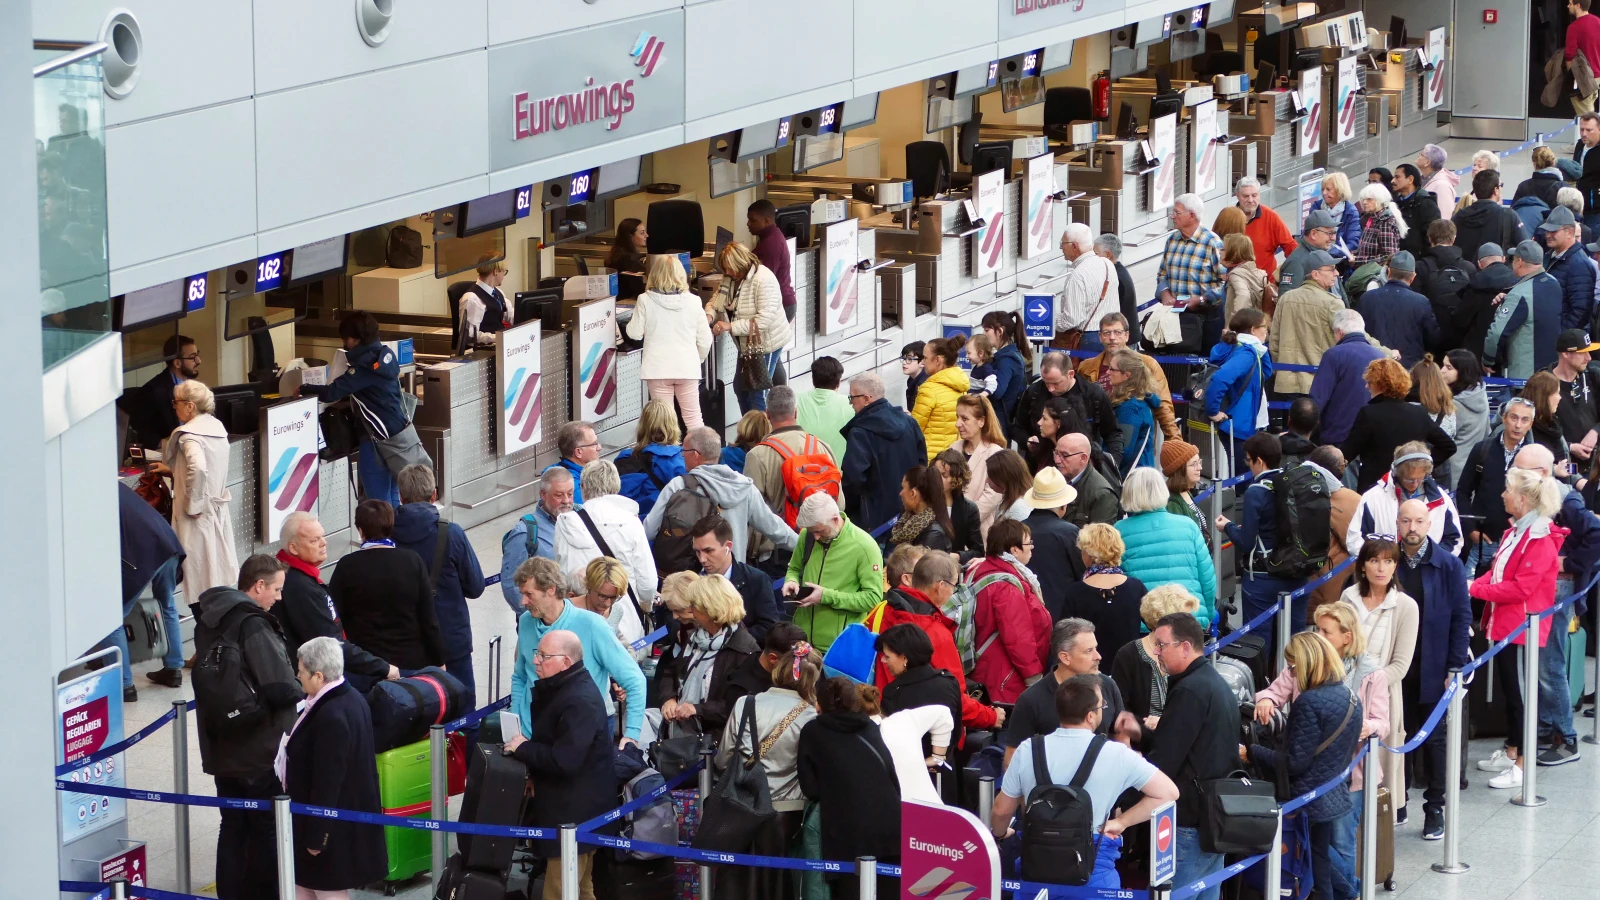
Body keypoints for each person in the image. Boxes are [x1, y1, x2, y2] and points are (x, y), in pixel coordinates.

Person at [994, 674, 1179, 889]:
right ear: (1091, 716)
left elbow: (1001, 810)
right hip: (1094, 863)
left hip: (1037, 861)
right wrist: (1122, 822)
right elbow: (1168, 793)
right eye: (1102, 706)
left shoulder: (1027, 750)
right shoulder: (1117, 754)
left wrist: (1000, 834)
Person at [194, 556, 301, 900]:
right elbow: (279, 686)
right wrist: (303, 687)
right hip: (258, 748)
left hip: (220, 744)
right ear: (259, 585)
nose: (279, 598)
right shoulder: (253, 624)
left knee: (233, 825)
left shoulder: (210, 619)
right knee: (269, 828)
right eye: (277, 590)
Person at [1241, 632, 1362, 900]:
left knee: (1315, 863)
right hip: (1333, 790)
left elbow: (1294, 763)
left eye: (1293, 667)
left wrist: (1251, 752)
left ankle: (1351, 891)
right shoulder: (1350, 696)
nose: (1291, 673)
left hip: (1307, 798)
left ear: (1307, 663)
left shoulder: (1308, 702)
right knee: (1320, 860)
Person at [1471, 468, 1567, 790]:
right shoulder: (1516, 532)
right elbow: (1498, 572)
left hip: (1523, 626)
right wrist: (1476, 584)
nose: (1503, 495)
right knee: (1512, 692)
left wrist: (1474, 589)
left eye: (1507, 490)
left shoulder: (1539, 538)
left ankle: (1524, 764)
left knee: (1521, 696)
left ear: (1522, 499)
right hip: (1508, 624)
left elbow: (1520, 588)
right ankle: (1513, 749)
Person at [505, 630, 617, 900]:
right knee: (582, 889)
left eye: (544, 656)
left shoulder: (578, 700)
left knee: (559, 892)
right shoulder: (569, 688)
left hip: (574, 816)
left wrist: (523, 748)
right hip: (579, 811)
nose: (536, 661)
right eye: (537, 653)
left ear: (566, 662)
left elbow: (564, 759)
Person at [1138, 612, 1239, 900]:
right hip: (1213, 817)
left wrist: (1127, 805)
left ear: (1185, 647)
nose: (1157, 652)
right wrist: (1141, 732)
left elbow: (1165, 760)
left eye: (1161, 645)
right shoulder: (1213, 682)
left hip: (1190, 823)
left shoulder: (1190, 690)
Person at [1512, 445, 1600, 766]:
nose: (1515, 475)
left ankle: (1566, 737)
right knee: (1540, 663)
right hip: (1545, 587)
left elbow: (1596, 534)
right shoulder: (1544, 497)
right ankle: (1548, 727)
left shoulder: (1567, 500)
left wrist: (1570, 563)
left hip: (1558, 589)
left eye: (1522, 470)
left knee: (1549, 664)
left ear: (1543, 472)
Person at [1391, 499, 1474, 838]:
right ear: (1397, 523)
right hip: (1396, 667)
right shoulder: (1387, 561)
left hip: (1434, 665)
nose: (1412, 527)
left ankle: (1435, 807)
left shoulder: (1449, 565)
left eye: (1419, 521)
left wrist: (1454, 665)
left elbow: (1461, 617)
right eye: (1406, 520)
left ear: (1429, 524)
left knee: (1435, 739)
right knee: (1397, 733)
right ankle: (1397, 801)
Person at [281, 636, 387, 900]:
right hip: (331, 822)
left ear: (318, 676)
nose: (297, 675)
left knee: (328, 891)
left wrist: (318, 837)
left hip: (328, 829)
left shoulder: (331, 715)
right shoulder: (351, 698)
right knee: (304, 885)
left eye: (301, 671)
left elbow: (327, 781)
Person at [713, 643, 819, 900]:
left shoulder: (745, 703)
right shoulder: (810, 716)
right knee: (779, 885)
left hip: (741, 805)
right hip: (787, 812)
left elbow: (723, 758)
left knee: (736, 881)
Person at [508, 557, 647, 743]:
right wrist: (515, 722)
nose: (523, 601)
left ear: (550, 590)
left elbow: (635, 680)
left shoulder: (593, 625)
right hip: (530, 736)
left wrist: (631, 735)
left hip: (578, 738)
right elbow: (520, 676)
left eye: (529, 594)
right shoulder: (526, 621)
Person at [797, 677, 902, 900]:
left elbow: (811, 788)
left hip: (847, 832)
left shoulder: (813, 731)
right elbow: (890, 773)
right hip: (890, 826)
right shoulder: (870, 726)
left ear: (819, 704)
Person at [297, 311, 413, 505]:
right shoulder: (384, 356)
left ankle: (385, 526)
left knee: (378, 502)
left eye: (346, 339)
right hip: (396, 434)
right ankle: (395, 525)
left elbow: (332, 392)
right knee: (392, 495)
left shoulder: (364, 367)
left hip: (375, 438)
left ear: (356, 339)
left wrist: (303, 389)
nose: (345, 344)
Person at [1338, 538, 1418, 810]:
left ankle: (1377, 827)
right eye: (1374, 561)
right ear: (1363, 566)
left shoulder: (1406, 606)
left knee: (1378, 773)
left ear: (1395, 566)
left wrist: (1368, 684)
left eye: (1388, 561)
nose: (1381, 568)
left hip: (1382, 697)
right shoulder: (1348, 598)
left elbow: (1400, 665)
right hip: (1343, 692)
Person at [272, 512, 396, 688]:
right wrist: (383, 668)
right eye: (314, 540)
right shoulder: (299, 586)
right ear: (293, 548)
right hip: (310, 680)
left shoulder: (296, 577)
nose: (324, 543)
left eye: (322, 536)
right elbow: (329, 643)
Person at [393, 464, 485, 700]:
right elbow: (475, 587)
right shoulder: (451, 533)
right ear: (434, 494)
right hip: (451, 638)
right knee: (462, 705)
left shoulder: (387, 538)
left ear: (400, 497)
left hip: (404, 642)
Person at [646, 427, 799, 563]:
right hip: (730, 579)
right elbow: (775, 528)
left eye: (683, 451)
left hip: (690, 579)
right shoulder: (744, 487)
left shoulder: (678, 486)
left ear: (695, 454)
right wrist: (805, 547)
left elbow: (649, 530)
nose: (682, 456)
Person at [327, 500, 444, 674]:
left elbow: (335, 617)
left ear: (360, 531)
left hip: (367, 666)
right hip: (410, 662)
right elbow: (428, 618)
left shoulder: (346, 566)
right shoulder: (412, 561)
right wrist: (439, 660)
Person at [153, 380, 239, 607]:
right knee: (215, 578)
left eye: (176, 403)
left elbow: (199, 468)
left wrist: (193, 505)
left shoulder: (189, 436)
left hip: (197, 516)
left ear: (190, 406)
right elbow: (208, 468)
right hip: (215, 511)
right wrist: (174, 471)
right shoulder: (216, 429)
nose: (174, 407)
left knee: (199, 581)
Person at [1215, 433, 1314, 629]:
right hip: (1298, 571)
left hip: (1263, 575)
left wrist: (1227, 526)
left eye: (1249, 460)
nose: (1248, 465)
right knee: (1295, 640)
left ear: (1259, 461)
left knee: (1258, 641)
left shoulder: (1256, 491)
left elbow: (1246, 543)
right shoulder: (1297, 483)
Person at [555, 458, 658, 629]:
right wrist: (645, 607)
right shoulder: (631, 522)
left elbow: (563, 572)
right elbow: (648, 583)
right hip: (626, 618)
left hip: (578, 617)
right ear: (617, 487)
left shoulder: (565, 523)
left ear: (583, 487)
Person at [655, 573, 761, 737]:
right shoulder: (696, 637)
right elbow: (671, 672)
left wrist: (697, 709)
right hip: (682, 736)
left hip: (714, 741)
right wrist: (669, 698)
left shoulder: (744, 650)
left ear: (710, 609)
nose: (690, 610)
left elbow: (740, 705)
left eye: (694, 605)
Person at [1116, 468, 1218, 631]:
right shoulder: (1188, 526)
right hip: (1189, 616)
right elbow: (1207, 578)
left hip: (1144, 623)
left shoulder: (1119, 531)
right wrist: (1209, 615)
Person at [784, 493, 884, 653]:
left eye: (820, 531)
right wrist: (791, 581)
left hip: (837, 648)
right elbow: (794, 568)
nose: (816, 537)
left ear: (835, 520)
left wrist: (825, 596)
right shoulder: (807, 535)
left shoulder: (865, 547)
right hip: (801, 642)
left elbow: (872, 598)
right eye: (811, 531)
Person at [1340, 358, 1457, 493]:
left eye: (1370, 382)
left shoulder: (1369, 413)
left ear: (1381, 385)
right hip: (1408, 487)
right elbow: (1448, 446)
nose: (1367, 386)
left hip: (1376, 488)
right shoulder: (1418, 412)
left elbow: (1347, 453)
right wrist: (1422, 468)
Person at [626, 254, 713, 429]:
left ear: (654, 274)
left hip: (658, 369)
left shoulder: (645, 300)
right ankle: (702, 447)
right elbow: (705, 339)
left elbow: (634, 334)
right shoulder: (694, 301)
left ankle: (668, 447)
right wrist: (697, 359)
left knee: (664, 422)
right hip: (687, 368)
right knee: (694, 419)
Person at [969, 519, 1052, 704]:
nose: (1032, 547)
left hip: (987, 668)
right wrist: (1033, 678)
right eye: (1028, 543)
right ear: (1014, 550)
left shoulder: (982, 570)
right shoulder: (1007, 586)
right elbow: (1018, 637)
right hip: (1005, 678)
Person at [115, 483, 185, 699]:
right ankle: (173, 669)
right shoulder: (116, 486)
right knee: (167, 605)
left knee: (112, 619)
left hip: (143, 554)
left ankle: (124, 686)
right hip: (167, 544)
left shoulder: (89, 494)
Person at [1458, 396, 1539, 570]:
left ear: (1531, 424)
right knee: (1470, 585)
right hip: (1483, 542)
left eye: (1524, 420)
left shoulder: (1535, 456)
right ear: (1504, 418)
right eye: (1514, 418)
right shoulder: (1482, 449)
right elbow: (1463, 491)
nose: (1518, 425)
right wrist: (1471, 529)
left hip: (1519, 542)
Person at [842, 371, 928, 533]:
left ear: (866, 399)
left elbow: (853, 478)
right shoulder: (910, 422)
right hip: (910, 514)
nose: (851, 403)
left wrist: (853, 511)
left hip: (874, 521)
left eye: (852, 397)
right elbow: (922, 465)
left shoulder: (860, 432)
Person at [1348, 440, 1464, 560]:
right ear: (1396, 473)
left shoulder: (1442, 499)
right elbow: (1355, 540)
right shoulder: (1373, 497)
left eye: (1420, 479)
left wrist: (1432, 561)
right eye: (1409, 480)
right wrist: (1383, 560)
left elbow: (1454, 540)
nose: (1415, 484)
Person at [711, 241, 791, 413]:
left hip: (766, 343)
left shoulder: (763, 279)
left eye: (730, 268)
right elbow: (716, 300)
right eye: (725, 268)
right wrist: (709, 315)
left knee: (758, 392)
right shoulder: (731, 279)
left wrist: (729, 326)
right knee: (741, 388)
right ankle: (750, 425)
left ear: (741, 263)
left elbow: (764, 321)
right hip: (747, 345)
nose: (727, 273)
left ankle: (760, 428)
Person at [1076, 312, 1181, 442]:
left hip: (1135, 441)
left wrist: (1176, 442)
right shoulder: (1086, 367)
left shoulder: (1147, 364)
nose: (1112, 337)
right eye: (1107, 333)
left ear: (1127, 335)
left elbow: (1164, 407)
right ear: (1100, 336)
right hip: (1095, 440)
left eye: (1117, 332)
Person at [1110, 585, 1200, 728]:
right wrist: (1147, 725)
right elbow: (1120, 709)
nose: (1190, 624)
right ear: (1164, 620)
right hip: (1142, 737)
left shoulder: (1187, 649)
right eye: (1184, 618)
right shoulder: (1128, 655)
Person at [877, 624, 964, 761]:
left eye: (887, 657)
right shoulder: (949, 682)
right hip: (945, 766)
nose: (884, 661)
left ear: (904, 658)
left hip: (910, 767)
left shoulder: (893, 693)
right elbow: (957, 731)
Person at [1204, 308, 1276, 473]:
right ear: (1253, 329)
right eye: (1264, 327)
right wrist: (1213, 411)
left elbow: (1265, 374)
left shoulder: (1245, 348)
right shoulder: (1246, 354)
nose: (1267, 331)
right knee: (1243, 478)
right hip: (1239, 425)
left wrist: (1261, 348)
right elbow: (1221, 378)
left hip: (1240, 423)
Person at [690, 514, 780, 643]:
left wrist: (728, 640)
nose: (702, 559)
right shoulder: (692, 577)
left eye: (708, 551)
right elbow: (674, 616)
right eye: (697, 552)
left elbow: (769, 627)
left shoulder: (757, 580)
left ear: (728, 546)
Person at [1156, 193, 1230, 346]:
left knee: (1206, 357)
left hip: (1207, 318)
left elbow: (1226, 282)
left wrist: (1202, 299)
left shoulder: (1212, 243)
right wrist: (1165, 293)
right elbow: (1162, 274)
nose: (1172, 216)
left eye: (1177, 213)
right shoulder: (1172, 240)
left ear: (1192, 215)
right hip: (1176, 316)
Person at [1310, 310, 1392, 446]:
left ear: (1339, 332)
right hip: (1372, 437)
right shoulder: (1381, 357)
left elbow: (1318, 399)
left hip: (1337, 437)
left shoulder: (1333, 355)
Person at [1059, 524, 1145, 653]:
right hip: (1129, 661)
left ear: (1089, 554)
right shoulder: (1136, 587)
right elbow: (1154, 622)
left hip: (1089, 662)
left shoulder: (1075, 592)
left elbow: (1064, 636)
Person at [1014, 352, 1122, 455]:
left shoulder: (1093, 395)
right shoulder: (1034, 392)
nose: (1051, 389)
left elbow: (1112, 434)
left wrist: (1113, 462)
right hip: (1040, 461)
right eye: (1046, 383)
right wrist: (1027, 441)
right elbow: (1017, 427)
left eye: (1056, 383)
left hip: (1081, 462)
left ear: (1070, 374)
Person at [1270, 249, 1346, 395]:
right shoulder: (1333, 303)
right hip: (1319, 384)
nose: (1336, 273)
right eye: (1331, 269)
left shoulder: (1286, 298)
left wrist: (1281, 369)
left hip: (1286, 382)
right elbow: (1350, 338)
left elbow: (1274, 342)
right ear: (1315, 274)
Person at [500, 467, 575, 614]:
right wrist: (534, 617)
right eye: (559, 495)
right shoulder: (524, 533)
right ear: (543, 494)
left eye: (570, 494)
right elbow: (511, 585)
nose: (566, 501)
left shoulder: (581, 517)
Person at [1486, 240, 1564, 378]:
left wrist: (1488, 360)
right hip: (1551, 372)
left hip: (1525, 375)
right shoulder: (1554, 282)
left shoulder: (1520, 293)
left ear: (1519, 262)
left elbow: (1496, 333)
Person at [1306, 446, 1367, 612]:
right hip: (1334, 592)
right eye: (1344, 463)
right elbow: (1359, 546)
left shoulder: (1297, 492)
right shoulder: (1351, 500)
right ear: (1340, 468)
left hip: (1302, 586)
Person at [1358, 251, 1440, 367]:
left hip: (1375, 365)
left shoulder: (1367, 298)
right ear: (1413, 277)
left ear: (1389, 272)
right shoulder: (1421, 302)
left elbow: (1359, 332)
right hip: (1408, 368)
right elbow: (1432, 338)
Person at [1022, 467, 1085, 617]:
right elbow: (1082, 573)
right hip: (1063, 613)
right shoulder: (1070, 532)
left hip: (1025, 610)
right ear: (1063, 505)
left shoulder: (1018, 529)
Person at [612, 400, 687, 518]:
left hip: (631, 524)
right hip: (663, 525)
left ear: (642, 425)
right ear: (672, 425)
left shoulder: (623, 458)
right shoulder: (677, 460)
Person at [1412, 220, 1478, 355]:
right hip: (1461, 337)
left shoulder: (1420, 267)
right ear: (1454, 238)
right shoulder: (1469, 268)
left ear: (1430, 239)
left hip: (1430, 338)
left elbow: (1416, 304)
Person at [950, 394, 1010, 534]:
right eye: (957, 417)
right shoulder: (953, 448)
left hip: (977, 534)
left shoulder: (995, 453)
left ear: (981, 421)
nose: (957, 423)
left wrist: (959, 523)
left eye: (964, 419)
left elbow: (991, 499)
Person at [1058, 223, 1122, 351]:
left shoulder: (1077, 276)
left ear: (1074, 246)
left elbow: (1072, 319)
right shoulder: (1107, 264)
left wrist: (1052, 322)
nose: (1060, 247)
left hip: (1089, 340)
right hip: (1113, 335)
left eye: (1063, 243)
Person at [130, 332, 199, 450]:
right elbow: (139, 428)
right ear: (177, 363)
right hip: (170, 452)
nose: (198, 360)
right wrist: (163, 444)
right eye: (192, 357)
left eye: (197, 355)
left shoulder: (195, 386)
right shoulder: (152, 390)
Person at [911, 334, 972, 458]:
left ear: (937, 360)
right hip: (955, 457)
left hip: (931, 458)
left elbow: (914, 430)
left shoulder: (929, 389)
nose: (922, 362)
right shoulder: (960, 385)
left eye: (925, 358)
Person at [1439, 350, 1490, 493]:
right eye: (1443, 365)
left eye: (1449, 368)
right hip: (1472, 474)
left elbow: (1439, 440)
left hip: (1451, 477)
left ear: (1462, 372)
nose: (1442, 371)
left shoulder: (1454, 405)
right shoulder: (1481, 395)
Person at [1237, 175, 1298, 286]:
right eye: (1245, 196)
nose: (1250, 200)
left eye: (1254, 195)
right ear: (1237, 196)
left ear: (1259, 195)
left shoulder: (1271, 217)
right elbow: (1217, 249)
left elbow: (1290, 246)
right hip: (1237, 284)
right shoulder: (1228, 217)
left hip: (1265, 285)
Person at [1454, 171, 1528, 264]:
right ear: (1496, 190)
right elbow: (1525, 247)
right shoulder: (1508, 215)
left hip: (1464, 271)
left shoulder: (1459, 216)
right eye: (1501, 185)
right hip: (1497, 271)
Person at [1541, 208, 1596, 332]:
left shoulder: (1579, 264)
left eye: (1553, 231)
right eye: (1547, 230)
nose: (1548, 235)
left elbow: (1580, 311)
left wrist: (1560, 335)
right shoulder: (1549, 256)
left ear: (1570, 232)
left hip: (1562, 338)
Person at [1462, 242, 1518, 359]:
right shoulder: (1517, 282)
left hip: (1478, 349)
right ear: (1503, 259)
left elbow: (1461, 320)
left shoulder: (1474, 285)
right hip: (1509, 350)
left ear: (1479, 264)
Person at [981, 309, 1032, 433]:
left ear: (999, 331)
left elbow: (997, 392)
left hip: (999, 423)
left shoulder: (1007, 360)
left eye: (987, 330)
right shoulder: (1009, 355)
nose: (984, 334)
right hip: (999, 421)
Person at [794, 355, 854, 461]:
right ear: (839, 382)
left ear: (813, 380)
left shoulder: (795, 400)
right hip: (838, 470)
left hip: (802, 469)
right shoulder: (852, 404)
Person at [1279, 208, 1348, 299]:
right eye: (1329, 233)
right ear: (1313, 234)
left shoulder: (1323, 254)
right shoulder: (1296, 262)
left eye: (1334, 233)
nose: (1333, 238)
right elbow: (1288, 301)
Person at [747, 198, 797, 321]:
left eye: (752, 220)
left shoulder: (771, 245)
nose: (748, 224)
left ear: (766, 221)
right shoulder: (771, 235)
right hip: (781, 303)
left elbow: (764, 282)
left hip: (779, 306)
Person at [888, 463, 956, 552]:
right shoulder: (907, 519)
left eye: (903, 488)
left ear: (913, 493)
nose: (900, 493)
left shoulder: (933, 534)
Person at [1096, 234, 1144, 348]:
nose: (1093, 258)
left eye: (1096, 253)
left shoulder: (1115, 278)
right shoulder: (1119, 271)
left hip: (1123, 342)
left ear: (1108, 255)